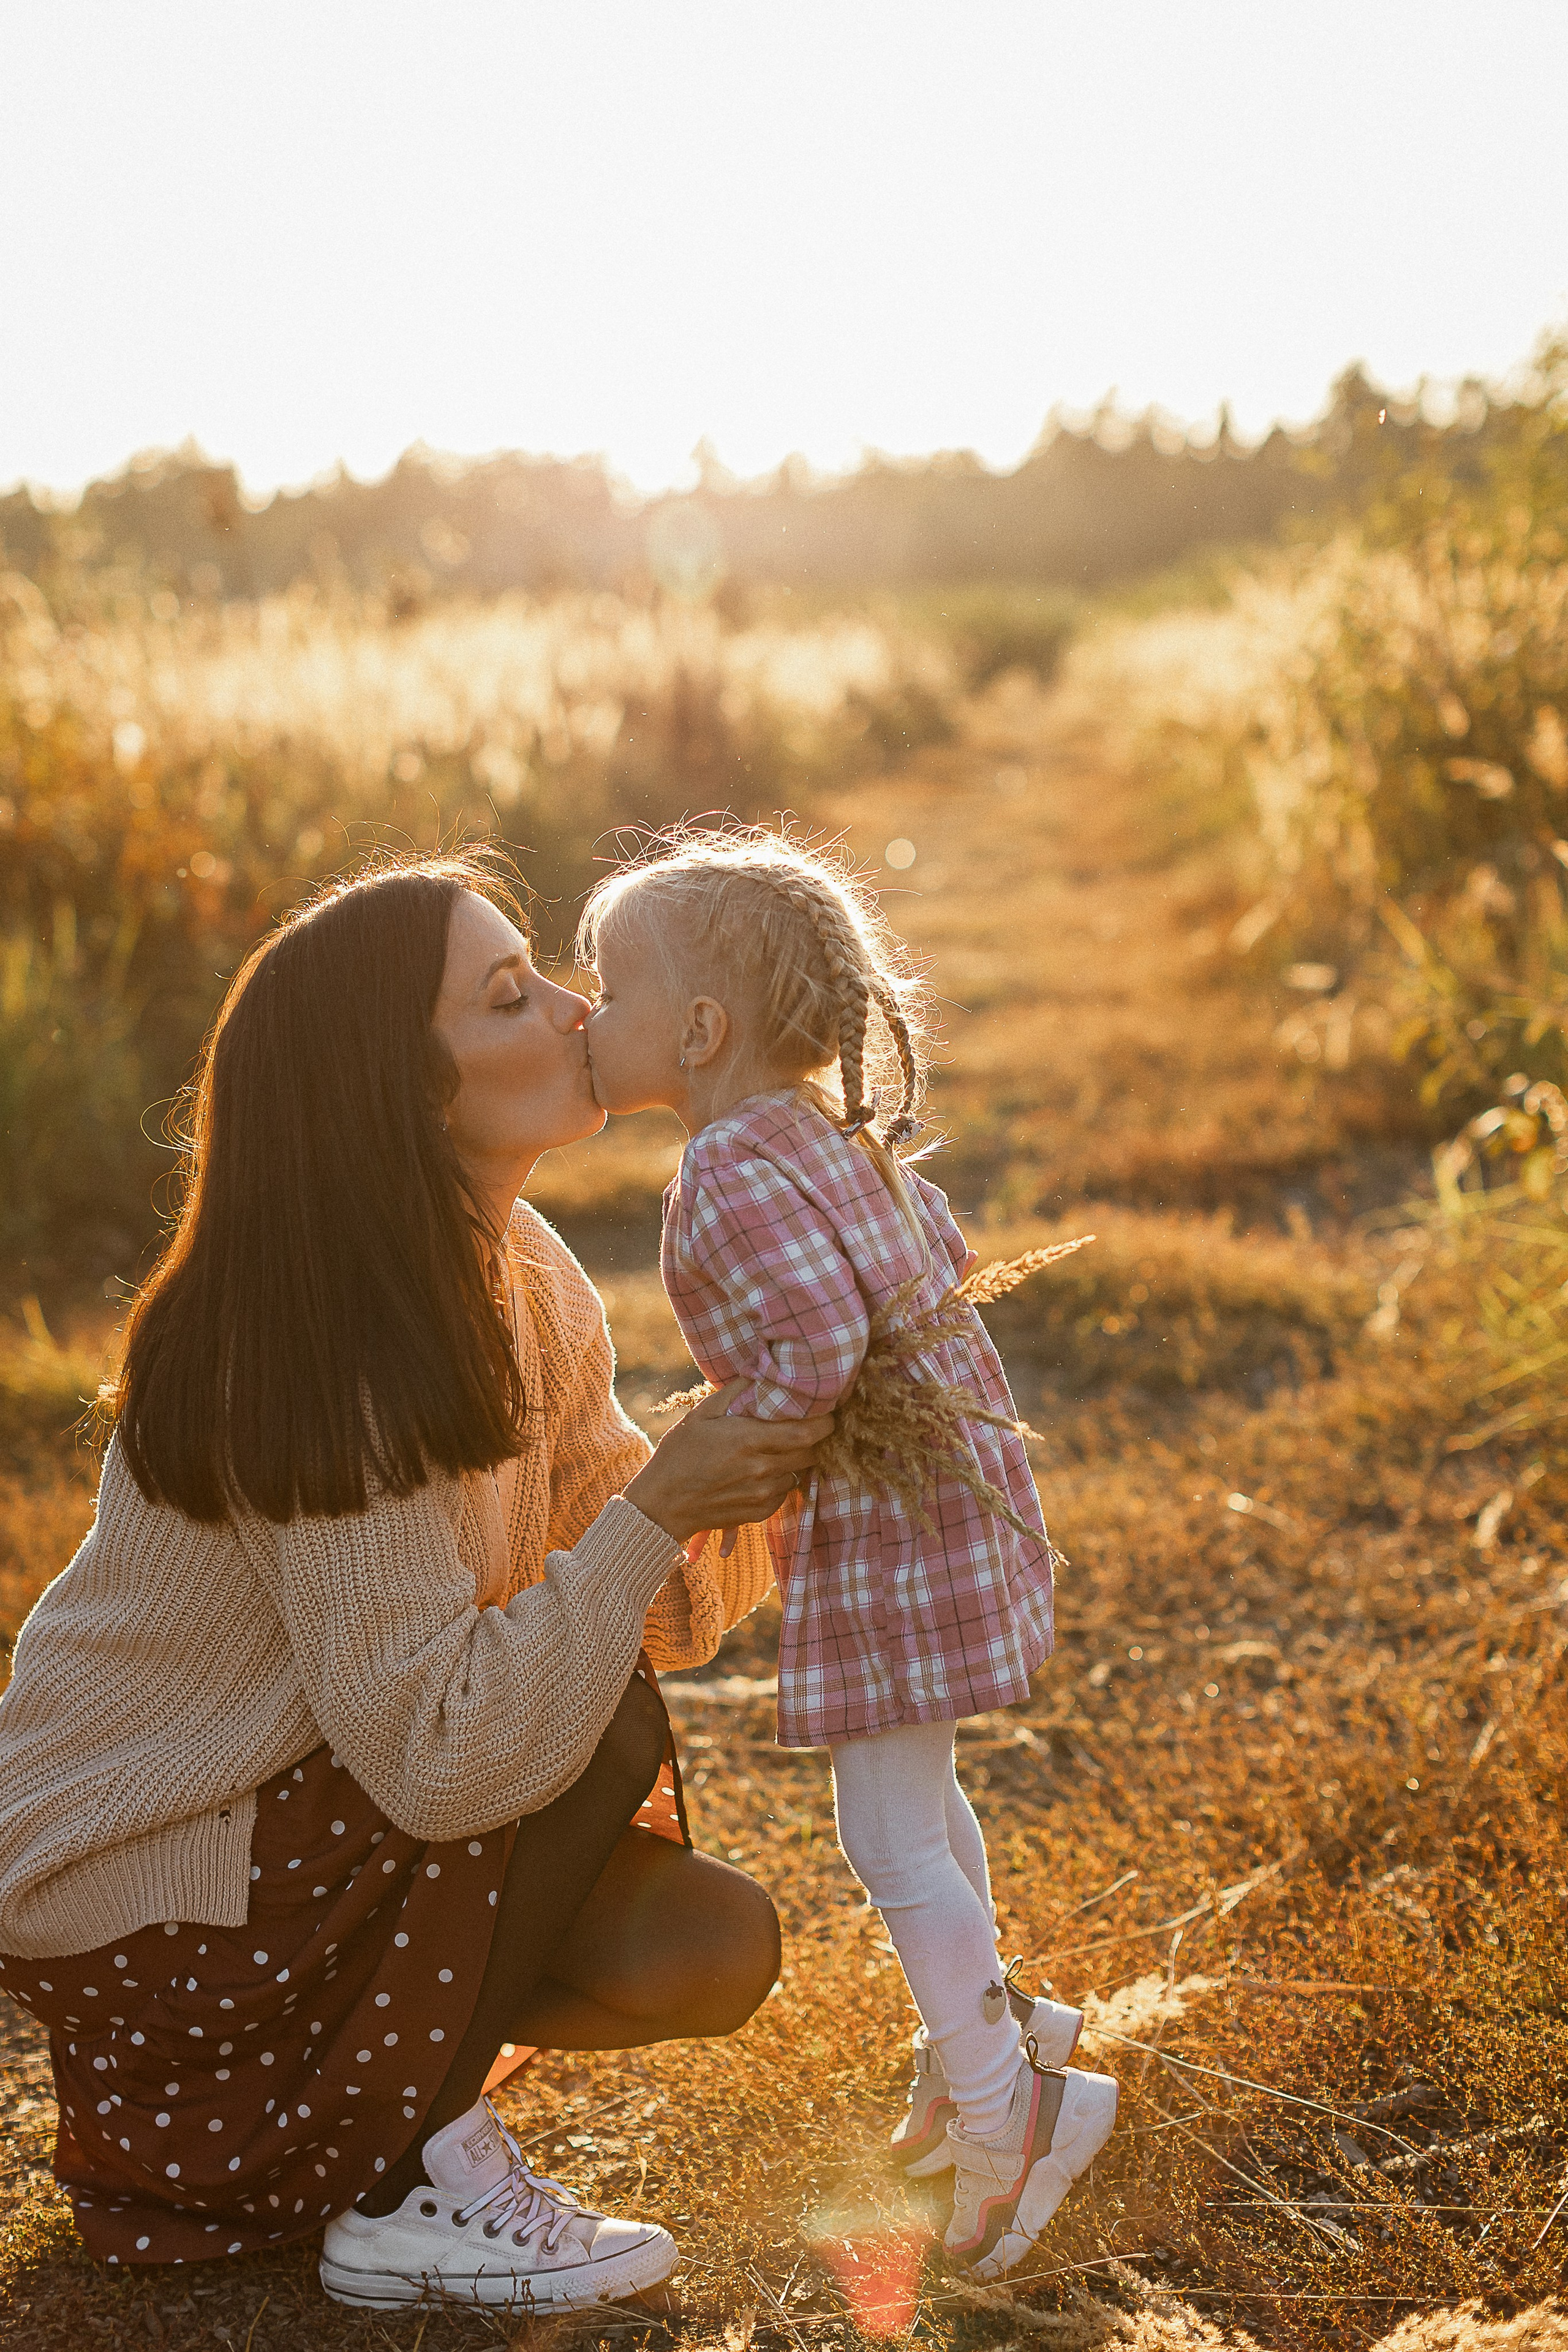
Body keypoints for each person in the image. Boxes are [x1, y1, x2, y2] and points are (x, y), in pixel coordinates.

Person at [0, 851, 830, 2315]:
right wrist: (660, 1509)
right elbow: (441, 1756)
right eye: (512, 996)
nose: (577, 1011)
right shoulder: (315, 1346)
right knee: (596, 1733)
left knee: (709, 1947)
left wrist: (809, 1455)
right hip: (144, 1878)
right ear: (396, 1086)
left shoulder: (528, 1271)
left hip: (311, 1811)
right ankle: (394, 2190)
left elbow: (640, 1596)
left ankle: (331, 2135)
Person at [579, 830, 1118, 2280]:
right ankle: (1000, 2032)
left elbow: (814, 1341)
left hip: (881, 1527)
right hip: (935, 1495)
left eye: (605, 988)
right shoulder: (824, 1135)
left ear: (696, 1034)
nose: (584, 1015)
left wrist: (739, 1439)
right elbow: (923, 1268)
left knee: (880, 1834)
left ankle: (1015, 2115)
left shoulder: (725, 1167)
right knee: (921, 1795)